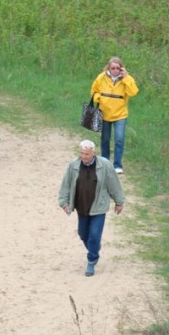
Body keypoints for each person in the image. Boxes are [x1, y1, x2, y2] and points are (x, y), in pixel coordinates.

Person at [58, 139, 124, 277]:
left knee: (94, 235)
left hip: (98, 207)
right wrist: (64, 202)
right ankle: (95, 248)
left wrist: (119, 202)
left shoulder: (104, 165)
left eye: (86, 154)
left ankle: (91, 261)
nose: (83, 156)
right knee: (83, 234)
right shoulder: (73, 165)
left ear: (93, 153)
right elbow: (66, 184)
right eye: (81, 153)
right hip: (81, 207)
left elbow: (114, 184)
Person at [90, 56, 139, 174]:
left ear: (121, 68)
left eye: (118, 68)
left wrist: (126, 78)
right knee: (105, 139)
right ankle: (105, 163)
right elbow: (93, 91)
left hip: (120, 114)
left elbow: (133, 92)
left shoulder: (127, 79)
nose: (115, 70)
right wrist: (98, 98)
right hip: (104, 113)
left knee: (119, 139)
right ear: (109, 68)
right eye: (113, 68)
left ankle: (117, 165)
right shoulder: (101, 77)